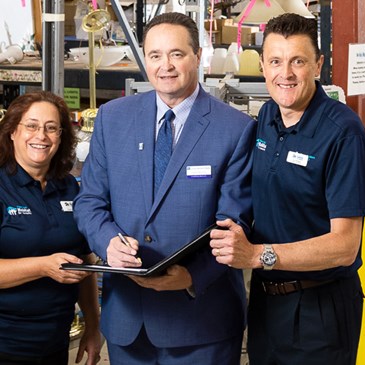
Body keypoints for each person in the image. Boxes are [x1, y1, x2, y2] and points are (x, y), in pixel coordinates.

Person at [73, 12, 256, 365]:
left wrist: (191, 276)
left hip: (201, 321)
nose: (165, 66)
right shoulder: (114, 118)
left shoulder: (235, 128)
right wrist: (108, 242)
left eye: (177, 54)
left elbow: (237, 223)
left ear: (198, 56)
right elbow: (90, 201)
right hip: (128, 322)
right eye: (155, 55)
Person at [210, 13, 365, 365]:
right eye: (275, 61)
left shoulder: (343, 132)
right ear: (263, 66)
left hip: (321, 310)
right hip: (267, 305)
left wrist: (256, 256)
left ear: (318, 65)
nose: (285, 74)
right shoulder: (267, 118)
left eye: (297, 61)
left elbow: (345, 246)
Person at [0, 91, 102, 365]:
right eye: (31, 126)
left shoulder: (69, 187)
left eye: (51, 128)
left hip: (54, 343)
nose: (41, 136)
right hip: (6, 344)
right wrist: (42, 267)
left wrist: (93, 325)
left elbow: (84, 263)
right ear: (12, 131)